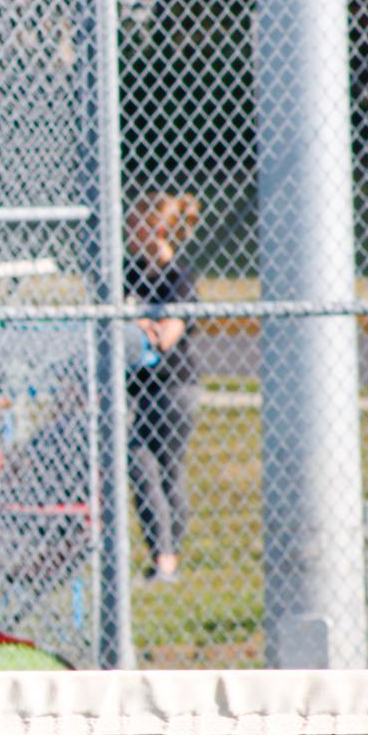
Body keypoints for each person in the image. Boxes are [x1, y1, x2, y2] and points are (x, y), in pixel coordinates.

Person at [124, 191, 203, 584]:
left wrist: (138, 323)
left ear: (154, 229)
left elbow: (167, 336)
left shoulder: (180, 278)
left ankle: (167, 559)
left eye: (134, 224)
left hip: (175, 388)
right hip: (139, 390)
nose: (126, 232)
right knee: (141, 466)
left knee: (165, 469)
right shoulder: (129, 271)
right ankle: (164, 556)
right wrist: (141, 324)